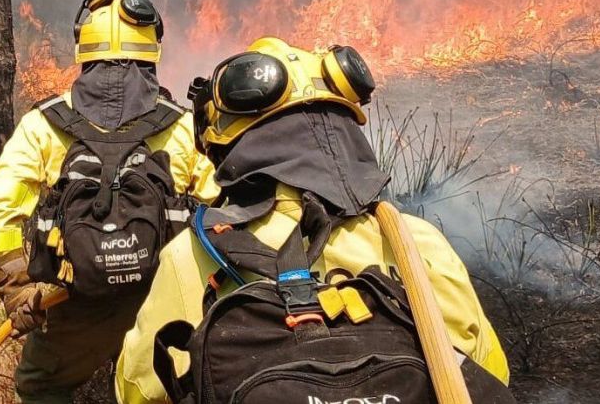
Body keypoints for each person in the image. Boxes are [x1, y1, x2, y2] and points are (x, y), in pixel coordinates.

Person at [115, 37, 509, 403]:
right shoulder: (417, 242)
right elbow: (490, 373)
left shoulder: (194, 255)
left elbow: (137, 389)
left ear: (228, 144)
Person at [0, 0, 219, 403]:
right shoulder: (182, 126)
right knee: (175, 386)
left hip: (72, 299)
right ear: (151, 53)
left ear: (83, 52)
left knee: (40, 384)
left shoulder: (45, 123)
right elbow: (225, 208)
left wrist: (17, 287)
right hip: (163, 299)